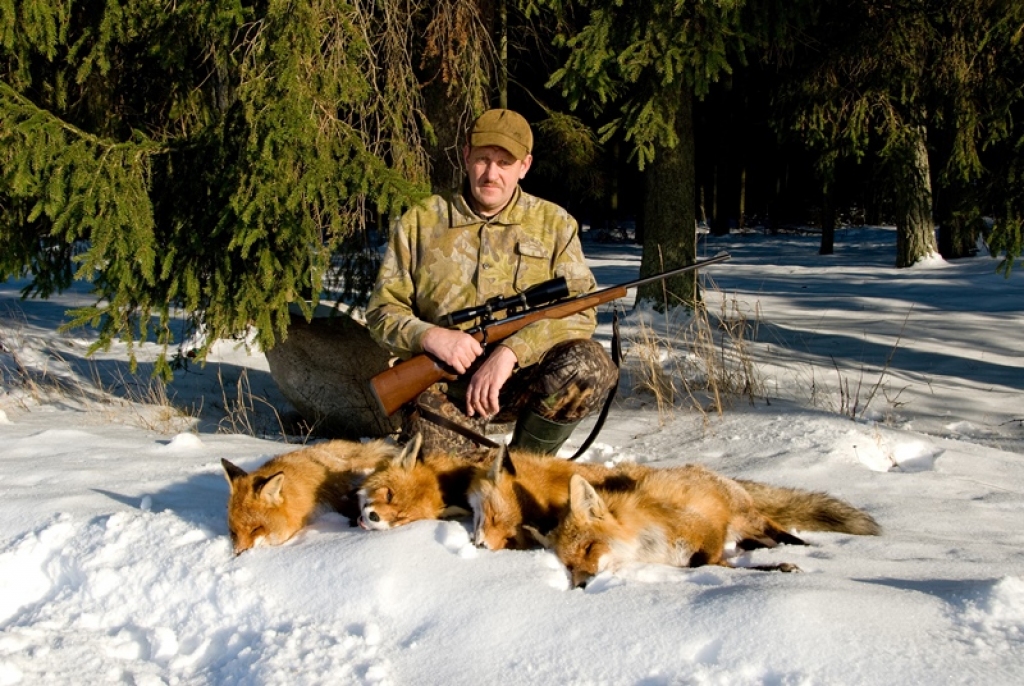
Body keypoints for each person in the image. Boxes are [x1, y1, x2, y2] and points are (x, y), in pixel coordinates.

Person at [365, 109, 617, 456]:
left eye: (504, 162)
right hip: (444, 387)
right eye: (483, 159)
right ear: (466, 156)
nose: (491, 173)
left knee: (590, 363)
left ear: (524, 166)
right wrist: (431, 336)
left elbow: (581, 312)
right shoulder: (420, 223)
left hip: (523, 382)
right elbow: (382, 311)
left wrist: (512, 351)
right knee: (443, 469)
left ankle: (527, 464)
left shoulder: (554, 224)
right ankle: (475, 462)